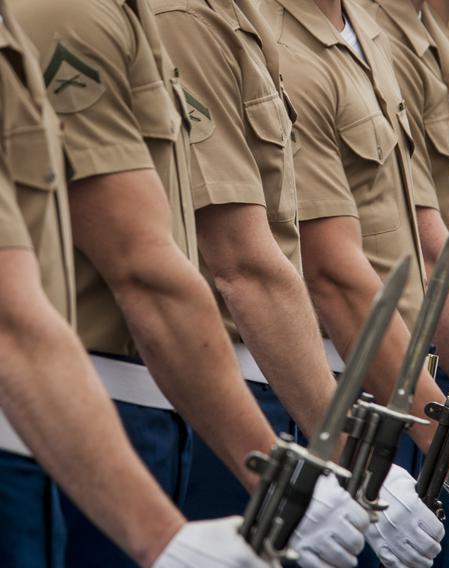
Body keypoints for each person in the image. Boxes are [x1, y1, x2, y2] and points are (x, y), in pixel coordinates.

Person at [10, 0, 332, 564]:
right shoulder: (75, 12)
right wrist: (300, 470)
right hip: (81, 420)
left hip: (152, 409)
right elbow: (155, 273)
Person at [257, 0, 449, 565]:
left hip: (411, 382)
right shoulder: (282, 41)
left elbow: (435, 243)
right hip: (339, 385)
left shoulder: (370, 34)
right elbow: (332, 274)